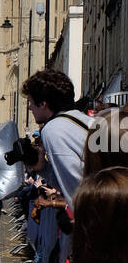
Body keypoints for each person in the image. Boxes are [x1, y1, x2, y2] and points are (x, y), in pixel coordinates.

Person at [21, 68, 93, 204]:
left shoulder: (53, 129)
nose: (30, 108)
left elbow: (76, 188)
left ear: (43, 104)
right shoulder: (82, 119)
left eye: (31, 102)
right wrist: (43, 168)